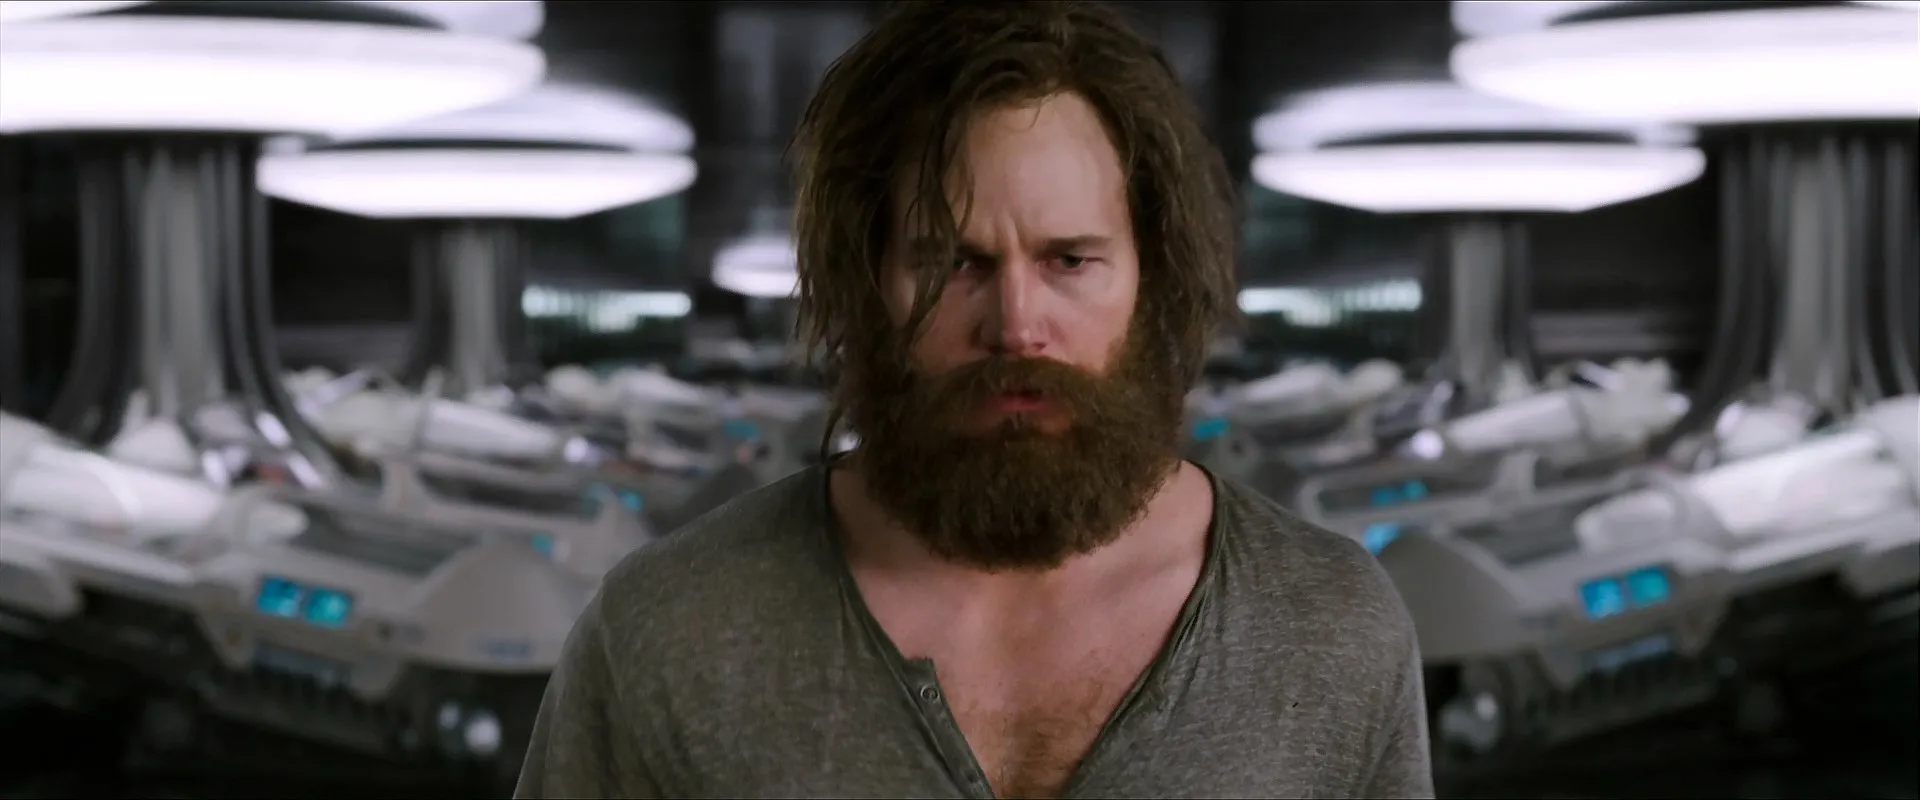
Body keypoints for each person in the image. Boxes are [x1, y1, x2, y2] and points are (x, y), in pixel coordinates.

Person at [513, 2, 1434, 798]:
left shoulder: (1328, 625)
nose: (1017, 325)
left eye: (1070, 260)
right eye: (954, 262)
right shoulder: (667, 631)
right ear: (867, 282)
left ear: (1149, 280)